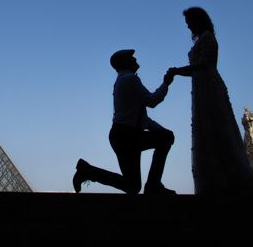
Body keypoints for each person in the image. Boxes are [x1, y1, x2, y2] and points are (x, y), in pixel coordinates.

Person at [170, 7, 253, 195]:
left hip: (209, 85)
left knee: (216, 128)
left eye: (190, 22)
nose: (188, 27)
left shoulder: (208, 37)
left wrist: (178, 71)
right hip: (202, 86)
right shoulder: (205, 37)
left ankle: (221, 179)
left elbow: (203, 64)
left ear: (199, 20)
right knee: (211, 129)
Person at [73, 49, 176, 194]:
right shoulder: (130, 79)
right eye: (131, 57)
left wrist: (159, 129)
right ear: (124, 62)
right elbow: (152, 101)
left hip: (123, 135)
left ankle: (88, 171)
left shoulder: (124, 80)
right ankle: (153, 185)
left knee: (132, 186)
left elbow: (141, 118)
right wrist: (166, 83)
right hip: (127, 136)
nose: (135, 59)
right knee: (166, 138)